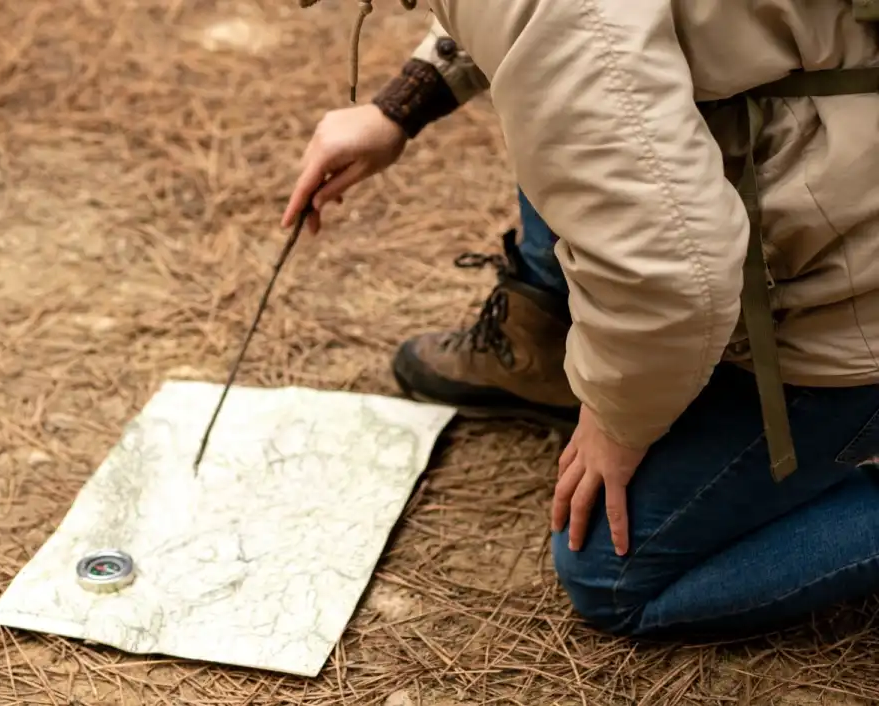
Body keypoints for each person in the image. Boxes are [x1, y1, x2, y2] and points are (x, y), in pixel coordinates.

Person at [286, 0, 879, 638]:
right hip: (833, 141)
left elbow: (671, 273)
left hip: (852, 283)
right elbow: (569, 35)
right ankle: (543, 334)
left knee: (612, 573)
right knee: (572, 109)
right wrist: (399, 106)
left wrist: (617, 418)